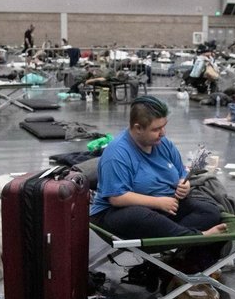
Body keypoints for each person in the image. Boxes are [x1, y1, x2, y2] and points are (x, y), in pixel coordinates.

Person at [90, 96, 227, 283]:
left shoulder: (163, 144)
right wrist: (158, 202)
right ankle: (196, 237)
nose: (162, 133)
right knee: (140, 215)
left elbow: (181, 173)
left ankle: (175, 246)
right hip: (115, 213)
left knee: (209, 210)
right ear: (137, 128)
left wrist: (183, 185)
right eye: (156, 129)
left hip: (163, 208)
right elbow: (116, 197)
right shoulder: (117, 154)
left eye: (164, 126)